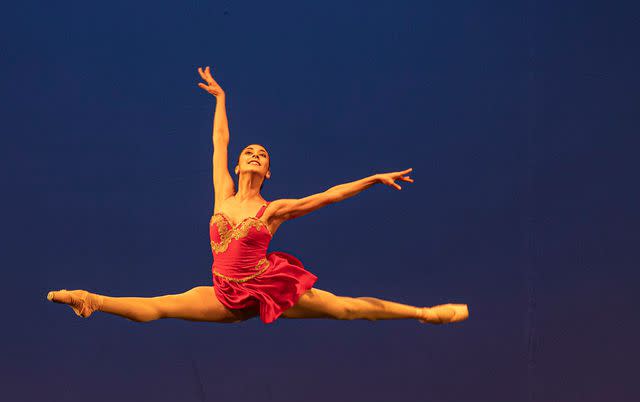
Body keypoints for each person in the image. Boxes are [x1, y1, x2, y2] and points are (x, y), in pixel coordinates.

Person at [46, 66, 469, 325]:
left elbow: (329, 195)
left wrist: (373, 179)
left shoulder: (274, 210)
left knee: (345, 309)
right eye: (249, 152)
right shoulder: (223, 194)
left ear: (268, 171)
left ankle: (424, 314)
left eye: (261, 155)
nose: (252, 155)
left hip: (265, 286)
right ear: (239, 165)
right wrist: (221, 98)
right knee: (161, 307)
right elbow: (219, 141)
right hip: (225, 291)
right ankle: (91, 300)